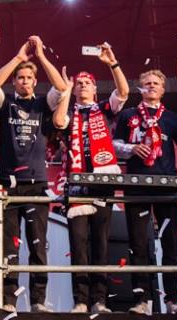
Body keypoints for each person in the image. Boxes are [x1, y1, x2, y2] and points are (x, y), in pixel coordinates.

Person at [0, 35, 68, 313]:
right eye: (20, 78)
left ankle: (37, 302)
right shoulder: (6, 103)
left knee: (37, 247)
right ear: (15, 81)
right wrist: (19, 58)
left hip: (36, 184)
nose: (24, 81)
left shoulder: (43, 104)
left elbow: (61, 87)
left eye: (28, 78)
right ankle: (9, 301)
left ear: (34, 82)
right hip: (8, 185)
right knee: (9, 248)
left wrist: (40, 56)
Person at [52, 42, 128, 314]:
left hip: (102, 184)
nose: (83, 86)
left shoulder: (104, 109)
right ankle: (81, 300)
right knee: (78, 245)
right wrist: (66, 91)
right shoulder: (70, 111)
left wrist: (112, 63)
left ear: (95, 89)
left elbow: (124, 92)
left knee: (101, 244)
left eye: (87, 83)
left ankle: (100, 300)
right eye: (79, 83)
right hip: (76, 187)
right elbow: (58, 122)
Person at [116, 69, 177, 315]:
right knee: (138, 244)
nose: (151, 86)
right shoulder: (128, 114)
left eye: (156, 83)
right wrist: (131, 149)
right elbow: (114, 145)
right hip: (136, 185)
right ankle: (142, 301)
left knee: (170, 243)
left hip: (166, 185)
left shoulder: (172, 118)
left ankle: (173, 301)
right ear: (140, 88)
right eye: (147, 83)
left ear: (163, 89)